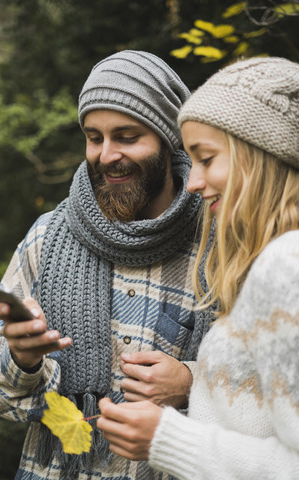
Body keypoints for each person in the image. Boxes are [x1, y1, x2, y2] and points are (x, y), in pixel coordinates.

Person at [0, 50, 214, 480]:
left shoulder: (219, 242)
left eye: (126, 136)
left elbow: (274, 389)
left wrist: (192, 383)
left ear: (167, 138)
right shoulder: (46, 237)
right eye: (94, 137)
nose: (106, 155)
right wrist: (23, 358)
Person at [97, 56, 299, 479]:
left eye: (206, 159)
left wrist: (167, 438)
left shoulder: (288, 265)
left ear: (260, 155)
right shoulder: (270, 258)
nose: (192, 181)